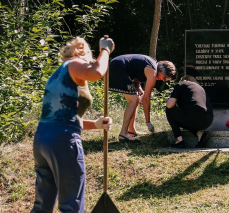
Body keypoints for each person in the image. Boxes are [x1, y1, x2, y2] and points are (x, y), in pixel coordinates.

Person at [31, 36, 114, 213]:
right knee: (71, 205)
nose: (90, 63)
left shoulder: (58, 75)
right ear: (84, 55)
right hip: (63, 141)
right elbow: (97, 72)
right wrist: (105, 50)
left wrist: (97, 124)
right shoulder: (74, 64)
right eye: (91, 59)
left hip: (43, 139)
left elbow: (64, 118)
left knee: (42, 206)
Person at [109, 54, 176, 142]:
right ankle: (123, 134)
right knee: (134, 100)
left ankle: (131, 130)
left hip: (117, 64)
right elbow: (146, 99)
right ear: (162, 71)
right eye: (165, 77)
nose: (163, 80)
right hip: (118, 67)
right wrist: (148, 122)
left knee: (136, 98)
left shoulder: (152, 64)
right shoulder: (153, 72)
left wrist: (138, 87)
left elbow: (136, 70)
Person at [166, 75, 214, 148]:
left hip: (192, 117)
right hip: (208, 120)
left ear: (183, 80)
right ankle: (200, 134)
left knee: (169, 110)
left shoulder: (181, 84)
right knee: (187, 115)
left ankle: (179, 140)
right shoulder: (200, 88)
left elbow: (170, 105)